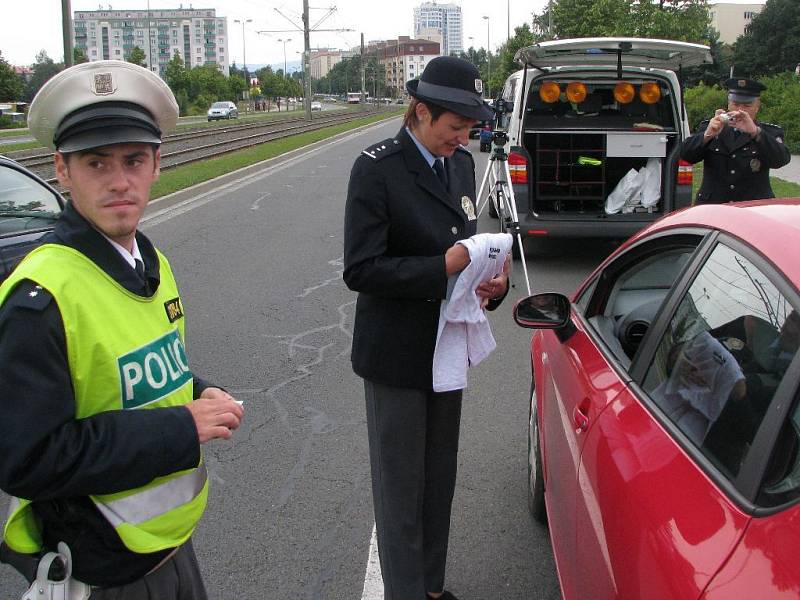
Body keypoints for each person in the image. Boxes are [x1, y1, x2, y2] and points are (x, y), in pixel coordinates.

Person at [0, 60, 244, 598]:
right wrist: (186, 426)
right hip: (107, 569)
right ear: (62, 171)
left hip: (172, 548)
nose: (119, 182)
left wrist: (200, 391)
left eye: (134, 160)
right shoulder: (39, 298)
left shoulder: (147, 261)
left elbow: (134, 371)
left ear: (157, 163)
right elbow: (29, 459)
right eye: (95, 163)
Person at [343, 56, 508, 600]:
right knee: (400, 492)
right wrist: (447, 265)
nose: (462, 140)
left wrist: (493, 282)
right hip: (396, 354)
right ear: (419, 112)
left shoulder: (458, 164)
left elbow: (468, 243)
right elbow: (361, 269)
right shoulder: (377, 168)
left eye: (469, 130)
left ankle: (431, 588)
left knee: (438, 483)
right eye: (454, 128)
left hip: (448, 348)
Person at [680, 77, 791, 204]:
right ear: (728, 104)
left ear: (757, 107)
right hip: (714, 206)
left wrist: (755, 133)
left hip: (751, 208)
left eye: (747, 105)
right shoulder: (712, 126)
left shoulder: (768, 132)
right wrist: (707, 135)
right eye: (735, 104)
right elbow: (686, 154)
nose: (740, 110)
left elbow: (781, 160)